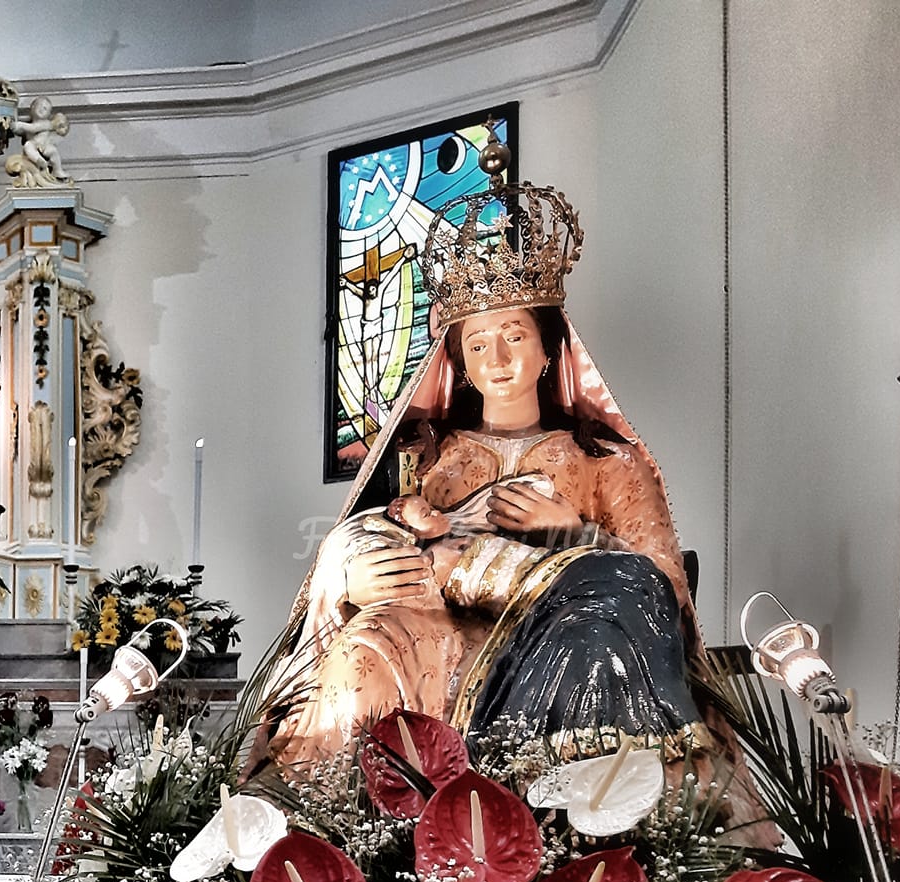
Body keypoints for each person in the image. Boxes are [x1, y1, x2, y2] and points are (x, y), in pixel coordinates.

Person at [267, 148, 723, 773]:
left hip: (561, 638)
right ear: (458, 363)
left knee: (594, 633)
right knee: (360, 653)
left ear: (549, 350)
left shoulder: (609, 463)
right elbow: (366, 538)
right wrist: (348, 576)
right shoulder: (424, 459)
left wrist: (573, 531)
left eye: (514, 336)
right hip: (438, 641)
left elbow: (662, 582)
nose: (498, 358)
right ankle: (333, 821)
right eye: (478, 344)